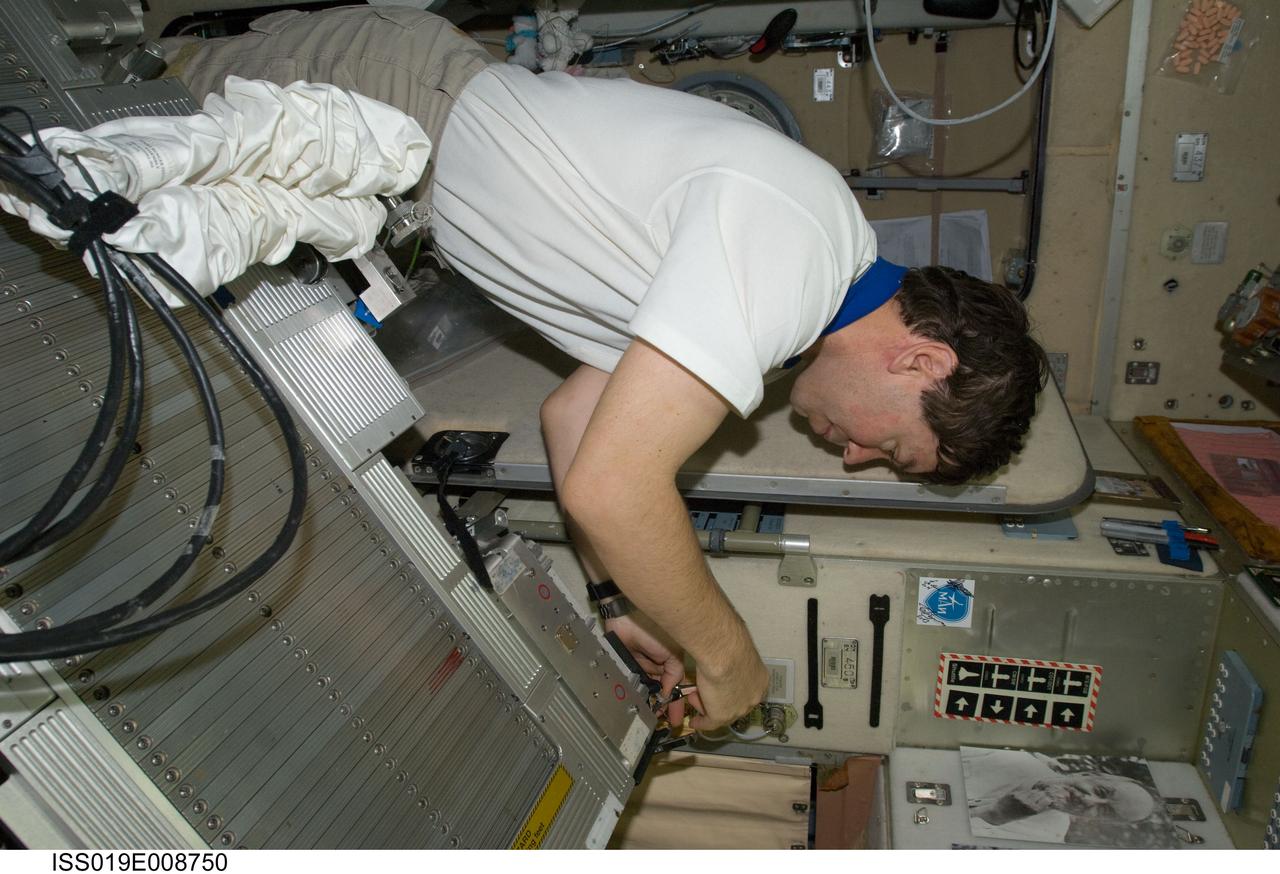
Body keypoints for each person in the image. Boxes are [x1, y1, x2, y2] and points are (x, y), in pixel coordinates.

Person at [167, 5, 1049, 729]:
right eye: (891, 448)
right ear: (920, 358)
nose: (854, 456)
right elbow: (616, 488)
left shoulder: (791, 313)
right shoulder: (795, 252)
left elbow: (576, 425)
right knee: (89, 118)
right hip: (378, 103)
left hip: (390, 158)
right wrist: (731, 657)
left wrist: (616, 598)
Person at [964, 749, 1157, 843]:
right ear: (1090, 775)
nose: (1089, 800)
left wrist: (995, 815)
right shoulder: (1005, 755)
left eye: (1104, 810)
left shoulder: (1044, 840)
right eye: (1101, 791)